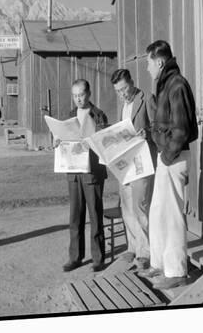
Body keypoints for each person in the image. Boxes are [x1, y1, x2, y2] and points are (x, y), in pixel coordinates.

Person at [139, 40, 198, 289]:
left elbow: (182, 129)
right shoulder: (166, 85)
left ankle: (176, 272)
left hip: (173, 158)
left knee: (172, 214)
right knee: (158, 212)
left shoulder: (177, 85)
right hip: (166, 157)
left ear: (160, 61)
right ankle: (159, 264)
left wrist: (166, 155)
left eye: (149, 63)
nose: (147, 68)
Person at [58, 79, 108, 273]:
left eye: (81, 95)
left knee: (95, 215)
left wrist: (93, 143)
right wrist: (58, 141)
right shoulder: (70, 116)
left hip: (92, 172)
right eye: (75, 95)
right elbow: (64, 139)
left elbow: (105, 142)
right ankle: (75, 257)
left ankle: (98, 258)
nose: (78, 99)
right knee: (75, 216)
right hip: (73, 172)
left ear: (89, 94)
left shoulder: (99, 115)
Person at [110, 69, 157, 271]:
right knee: (127, 207)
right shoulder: (123, 105)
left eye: (124, 89)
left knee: (140, 207)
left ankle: (146, 252)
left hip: (142, 162)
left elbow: (158, 125)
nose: (122, 94)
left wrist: (147, 132)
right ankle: (133, 247)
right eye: (118, 92)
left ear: (132, 82)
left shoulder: (146, 99)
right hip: (125, 163)